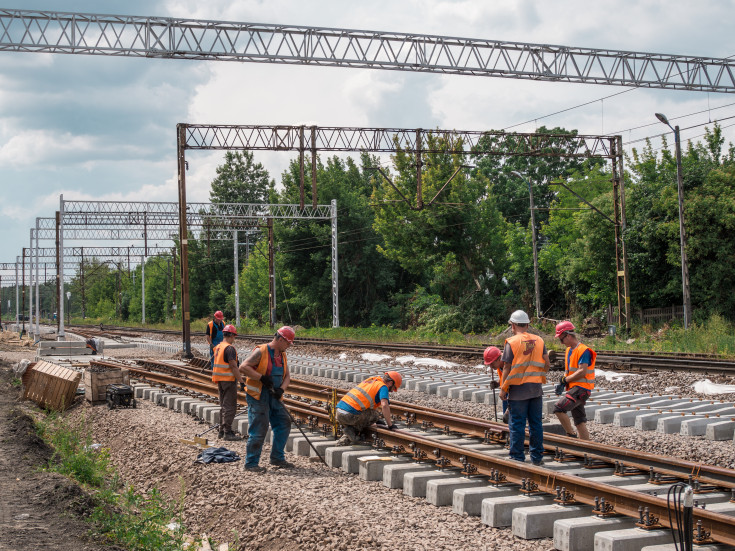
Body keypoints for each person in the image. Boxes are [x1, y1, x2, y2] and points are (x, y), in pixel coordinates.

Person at [239, 326, 295, 472]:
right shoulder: (261, 351)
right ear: (280, 339)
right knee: (259, 428)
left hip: (274, 396)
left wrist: (281, 389)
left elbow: (287, 375)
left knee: (284, 422)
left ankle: (277, 457)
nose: (289, 346)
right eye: (288, 343)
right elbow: (243, 367)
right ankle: (251, 463)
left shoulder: (282, 354)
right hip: (258, 396)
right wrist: (261, 378)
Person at [499, 310, 550, 465]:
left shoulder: (512, 342)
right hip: (535, 389)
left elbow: (506, 367)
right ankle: (537, 458)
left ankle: (517, 458)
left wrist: (503, 388)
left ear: (513, 326)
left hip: (517, 391)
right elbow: (547, 364)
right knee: (536, 424)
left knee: (517, 425)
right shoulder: (539, 340)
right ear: (527, 325)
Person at [553, 321, 596, 440]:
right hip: (575, 389)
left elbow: (582, 371)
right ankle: (586, 448)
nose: (561, 342)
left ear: (568, 335)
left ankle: (571, 435)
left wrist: (565, 380)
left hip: (582, 388)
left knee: (559, 408)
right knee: (579, 421)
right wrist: (562, 382)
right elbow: (569, 370)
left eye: (561, 339)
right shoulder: (569, 350)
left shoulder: (583, 350)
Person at [335, 371, 402, 445]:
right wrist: (390, 425)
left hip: (338, 413)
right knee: (375, 415)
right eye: (394, 388)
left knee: (369, 415)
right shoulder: (383, 387)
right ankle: (352, 429)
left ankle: (343, 441)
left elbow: (367, 403)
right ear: (390, 383)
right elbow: (384, 405)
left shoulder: (371, 380)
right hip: (349, 415)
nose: (392, 391)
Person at [211, 324, 245, 441]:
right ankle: (227, 432)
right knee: (230, 406)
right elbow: (234, 367)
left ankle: (221, 430)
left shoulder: (219, 346)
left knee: (223, 406)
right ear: (230, 335)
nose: (234, 339)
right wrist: (241, 381)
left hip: (219, 379)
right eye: (234, 336)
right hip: (228, 380)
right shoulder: (229, 348)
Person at [483, 346, 508, 422]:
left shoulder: (508, 363)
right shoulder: (499, 364)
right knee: (508, 420)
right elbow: (504, 376)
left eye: (491, 363)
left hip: (514, 392)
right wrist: (498, 383)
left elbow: (513, 382)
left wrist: (509, 408)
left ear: (499, 359)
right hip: (506, 391)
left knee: (513, 419)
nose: (490, 366)